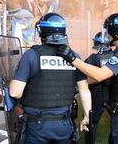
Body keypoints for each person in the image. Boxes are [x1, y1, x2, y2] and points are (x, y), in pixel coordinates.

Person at [57, 13, 118, 144]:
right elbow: (103, 77)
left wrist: (72, 58)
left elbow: (99, 75)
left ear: (115, 33)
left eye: (108, 32)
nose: (107, 35)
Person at [9, 13, 91, 144]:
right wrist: (87, 116)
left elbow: (15, 92)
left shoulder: (31, 55)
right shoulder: (74, 57)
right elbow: (84, 90)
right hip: (64, 125)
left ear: (42, 31)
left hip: (37, 126)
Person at [82, 32, 113, 144]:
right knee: (116, 123)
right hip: (114, 93)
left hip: (97, 94)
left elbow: (82, 73)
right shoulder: (117, 56)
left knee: (92, 123)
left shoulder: (94, 58)